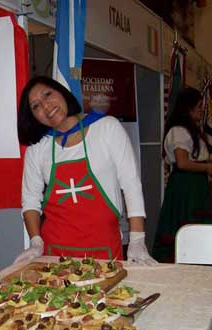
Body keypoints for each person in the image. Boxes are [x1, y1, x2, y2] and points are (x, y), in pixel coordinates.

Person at [13, 76, 156, 265]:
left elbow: (131, 184)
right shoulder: (38, 147)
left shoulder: (107, 127)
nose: (45, 106)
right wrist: (35, 241)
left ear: (62, 92)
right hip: (54, 253)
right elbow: (30, 199)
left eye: (48, 95)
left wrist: (137, 238)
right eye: (36, 106)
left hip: (103, 249)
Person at [152, 87, 212, 262]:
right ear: (187, 108)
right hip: (186, 185)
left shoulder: (191, 129)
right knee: (185, 224)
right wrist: (206, 168)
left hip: (194, 184)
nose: (202, 110)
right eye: (198, 106)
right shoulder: (179, 131)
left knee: (195, 223)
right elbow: (182, 163)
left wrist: (208, 163)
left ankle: (197, 257)